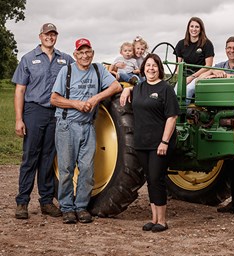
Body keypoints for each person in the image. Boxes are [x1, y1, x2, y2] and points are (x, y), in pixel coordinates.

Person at [50, 38, 122, 224]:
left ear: (92, 53)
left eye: (87, 52)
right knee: (66, 169)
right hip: (67, 125)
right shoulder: (66, 71)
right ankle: (67, 207)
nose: (84, 55)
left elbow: (117, 86)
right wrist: (76, 104)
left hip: (88, 126)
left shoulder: (98, 70)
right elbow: (54, 99)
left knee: (87, 169)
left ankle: (81, 206)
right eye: (80, 52)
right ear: (75, 55)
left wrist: (97, 98)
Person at [12, 23, 74, 220]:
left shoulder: (65, 59)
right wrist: (19, 119)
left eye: (53, 34)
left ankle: (46, 201)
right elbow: (20, 90)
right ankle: (22, 202)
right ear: (40, 36)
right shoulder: (28, 59)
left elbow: (84, 67)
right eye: (47, 34)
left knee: (48, 158)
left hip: (55, 112)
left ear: (56, 37)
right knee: (30, 158)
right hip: (34, 110)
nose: (50, 37)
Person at [120, 53, 179, 233]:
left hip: (159, 143)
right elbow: (129, 91)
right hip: (141, 142)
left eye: (154, 66)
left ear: (159, 68)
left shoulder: (165, 89)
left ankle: (162, 220)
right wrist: (126, 89)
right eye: (148, 66)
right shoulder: (138, 87)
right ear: (143, 68)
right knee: (149, 180)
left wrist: (164, 141)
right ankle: (153, 218)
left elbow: (172, 117)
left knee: (156, 178)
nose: (151, 68)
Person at [197, 36, 234, 216]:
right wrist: (214, 73)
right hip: (224, 119)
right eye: (229, 47)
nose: (232, 50)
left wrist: (228, 75)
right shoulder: (220, 65)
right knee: (230, 163)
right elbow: (203, 76)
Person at [174, 17, 214, 103]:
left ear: (201, 29)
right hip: (185, 76)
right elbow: (178, 65)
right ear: (188, 28)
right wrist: (181, 79)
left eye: (197, 27)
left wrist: (192, 77)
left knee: (188, 90)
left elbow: (208, 65)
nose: (194, 29)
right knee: (175, 92)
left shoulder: (207, 44)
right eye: (192, 26)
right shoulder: (181, 44)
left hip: (200, 76)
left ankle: (182, 114)